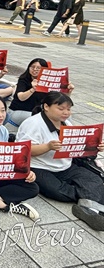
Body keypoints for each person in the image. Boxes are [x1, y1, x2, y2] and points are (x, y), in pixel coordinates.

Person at [16, 92, 104, 231]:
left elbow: (78, 148)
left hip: (65, 165)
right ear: (46, 106)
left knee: (94, 179)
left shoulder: (67, 123)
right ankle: (92, 199)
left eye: (68, 109)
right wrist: (48, 147)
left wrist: (94, 147)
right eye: (61, 108)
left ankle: (87, 208)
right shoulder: (32, 123)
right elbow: (23, 150)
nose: (66, 112)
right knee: (56, 191)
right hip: (39, 167)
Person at [8, 58, 74, 127]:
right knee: (44, 119)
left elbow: (59, 100)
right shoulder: (23, 80)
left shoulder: (48, 82)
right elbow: (21, 97)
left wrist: (68, 91)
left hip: (39, 112)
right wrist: (32, 89)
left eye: (38, 68)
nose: (35, 69)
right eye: (33, 67)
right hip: (19, 111)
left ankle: (69, 133)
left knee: (66, 116)